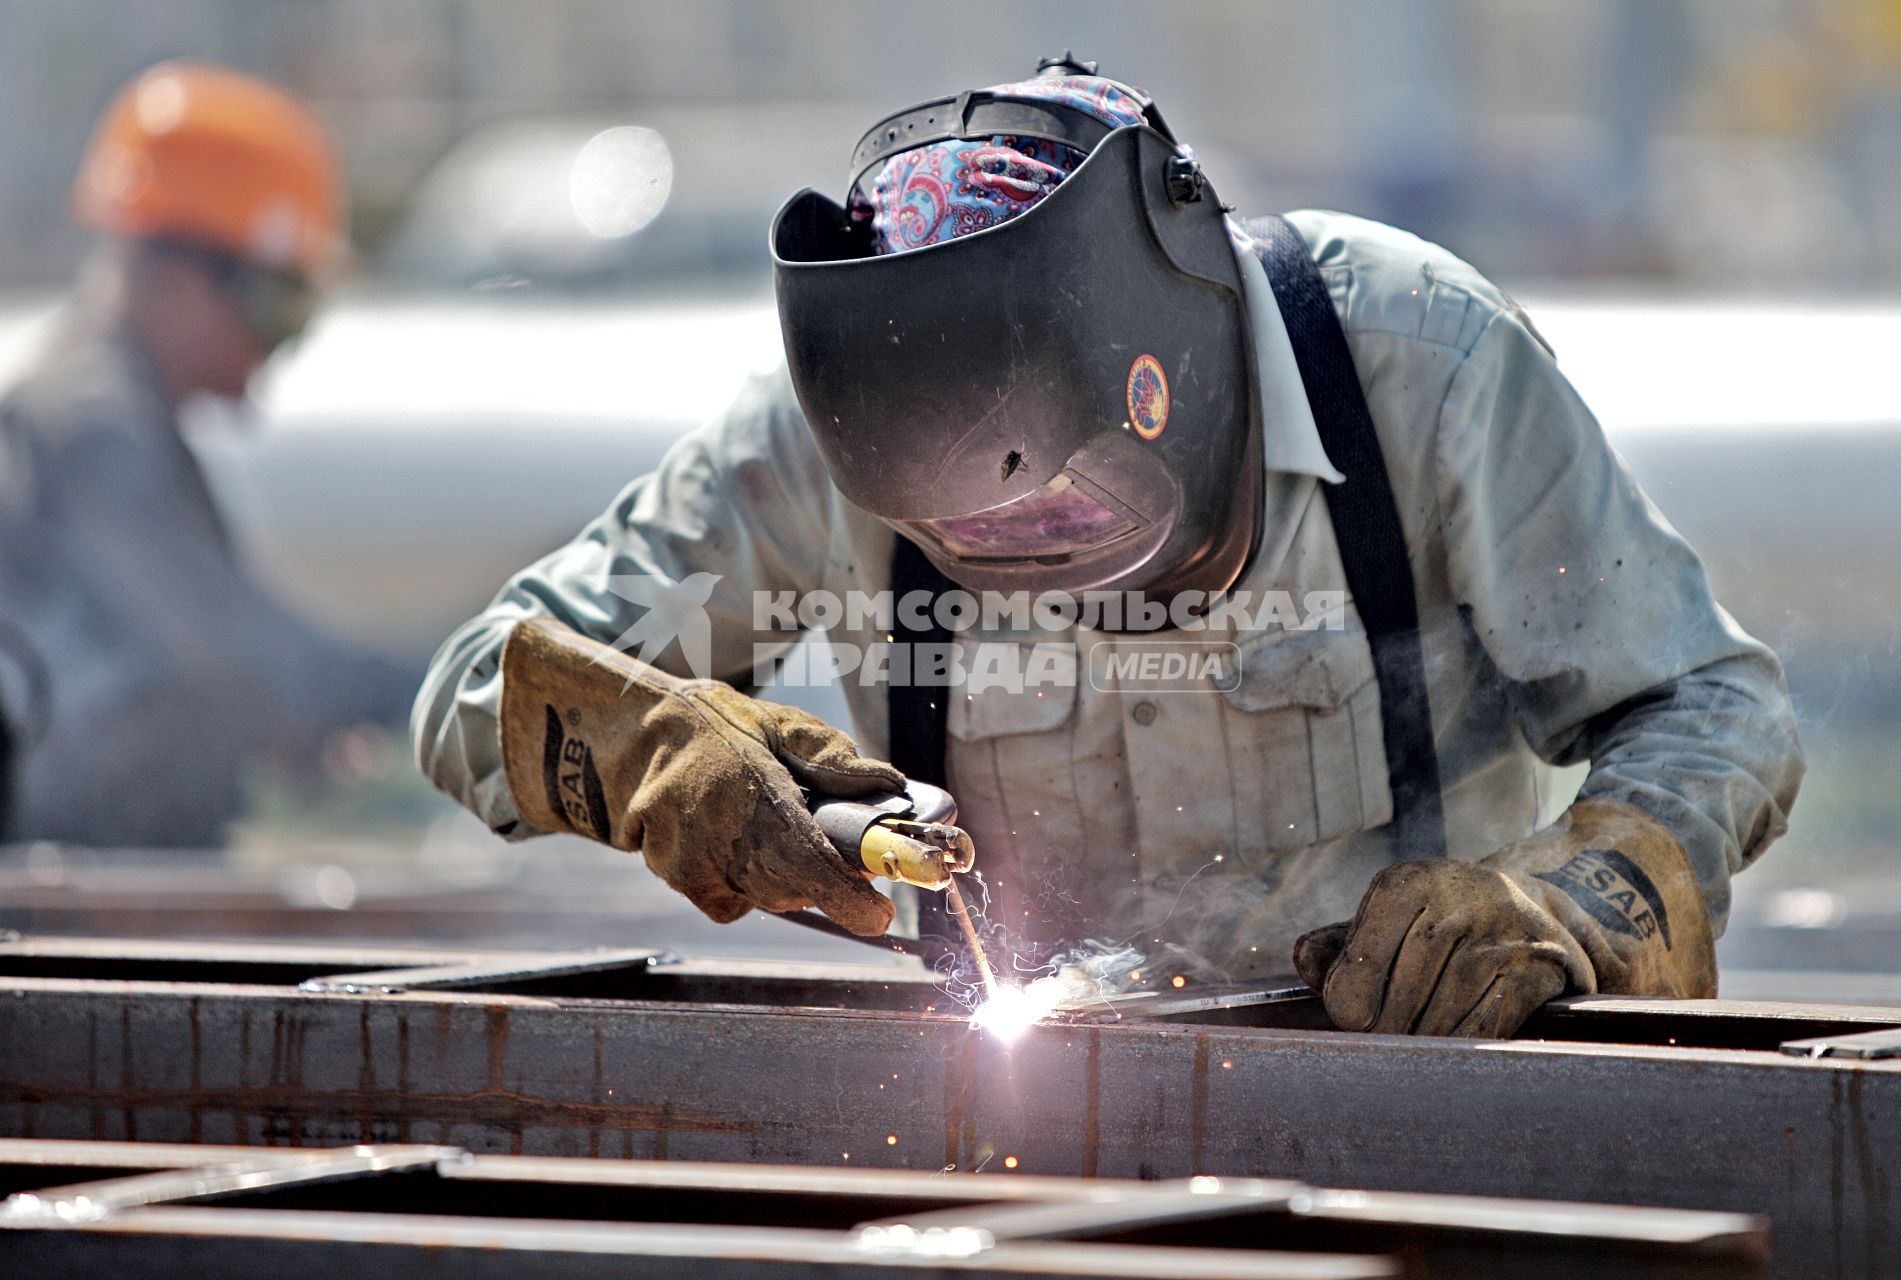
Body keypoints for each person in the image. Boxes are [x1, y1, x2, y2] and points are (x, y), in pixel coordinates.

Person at [415, 57, 1804, 1037]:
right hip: (1026, 1134)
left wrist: (1561, 903)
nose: (1033, 564)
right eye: (964, 538)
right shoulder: (810, 451)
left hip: (1420, 1115)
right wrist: (658, 751)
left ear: (1183, 358)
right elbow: (479, 689)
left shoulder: (1420, 373)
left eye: (1069, 506)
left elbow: (1710, 709)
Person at [0, 61, 418, 848]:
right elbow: (241, 664)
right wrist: (451, 683)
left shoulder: (115, 421)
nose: (283, 345)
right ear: (178, 273)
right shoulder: (90, 433)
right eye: (279, 304)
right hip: (57, 895)